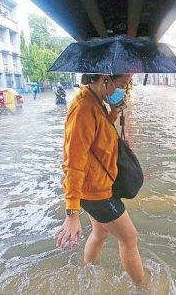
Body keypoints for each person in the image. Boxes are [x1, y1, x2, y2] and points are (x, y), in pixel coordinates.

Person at [55, 73, 146, 285]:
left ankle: (88, 276)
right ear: (106, 79)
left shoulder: (94, 102)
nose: (125, 89)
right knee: (129, 238)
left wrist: (113, 113)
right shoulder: (83, 109)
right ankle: (144, 288)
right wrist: (72, 213)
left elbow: (97, 136)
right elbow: (73, 163)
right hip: (95, 192)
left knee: (100, 233)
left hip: (98, 187)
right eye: (123, 84)